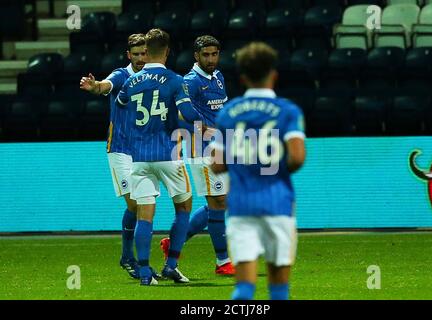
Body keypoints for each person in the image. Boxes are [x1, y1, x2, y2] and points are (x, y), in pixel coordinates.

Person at [210, 42, 306, 300]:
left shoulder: (228, 113)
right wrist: (272, 167)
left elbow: (217, 164)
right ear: (274, 74)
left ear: (242, 78)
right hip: (278, 203)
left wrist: (244, 164)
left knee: (243, 288)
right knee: (279, 289)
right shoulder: (288, 111)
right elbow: (297, 158)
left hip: (241, 205)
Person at [116, 28, 203, 286]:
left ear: (147, 51)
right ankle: (171, 266)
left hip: (139, 158)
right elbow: (188, 113)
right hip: (168, 154)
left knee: (145, 214)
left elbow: (120, 103)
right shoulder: (176, 80)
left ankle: (144, 272)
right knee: (184, 207)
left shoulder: (130, 82)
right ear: (166, 51)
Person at [79, 34, 160, 279]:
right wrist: (95, 87)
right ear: (128, 55)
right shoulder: (121, 75)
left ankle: (134, 259)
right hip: (120, 149)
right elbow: (106, 85)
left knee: (145, 205)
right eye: (135, 54)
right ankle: (128, 256)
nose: (140, 59)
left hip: (144, 150)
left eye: (144, 53)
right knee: (135, 204)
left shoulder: (155, 78)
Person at [160, 35, 234, 275]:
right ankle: (223, 262)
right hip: (200, 149)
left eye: (214, 54)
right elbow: (177, 113)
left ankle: (173, 243)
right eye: (206, 55)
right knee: (218, 202)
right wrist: (199, 129)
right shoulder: (189, 82)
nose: (211, 59)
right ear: (196, 56)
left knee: (222, 201)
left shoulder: (218, 77)